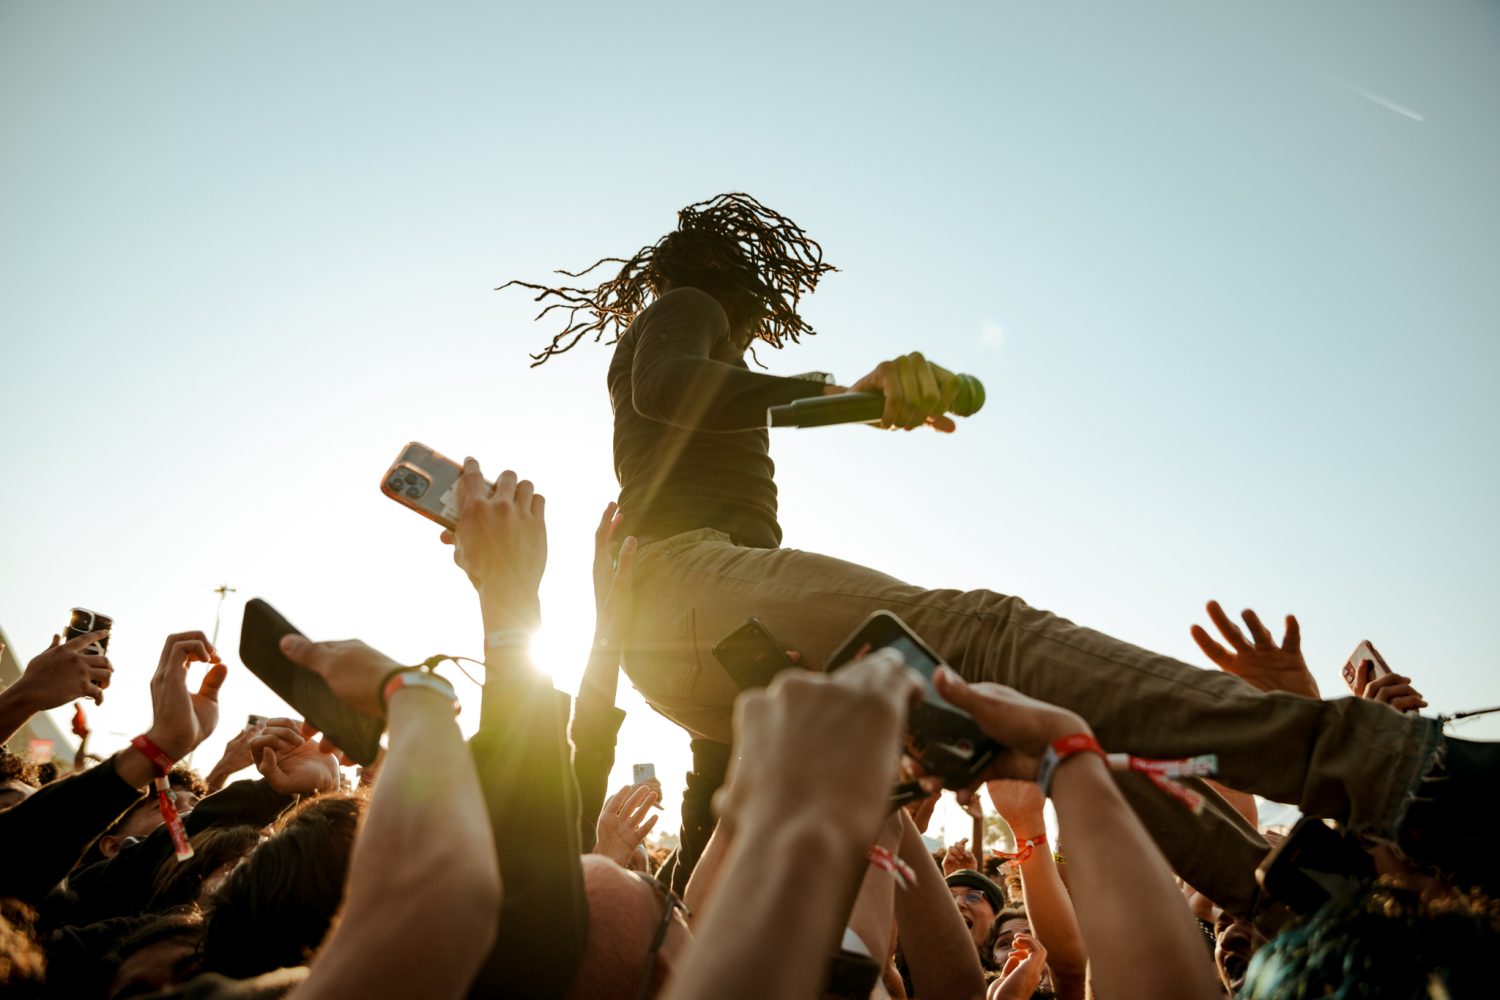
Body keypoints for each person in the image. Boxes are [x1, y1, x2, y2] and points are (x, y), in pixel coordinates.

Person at [503, 192, 1492, 914]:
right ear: (739, 277)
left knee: (1049, 732)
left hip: (700, 642)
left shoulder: (699, 361)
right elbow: (669, 388)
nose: (758, 329)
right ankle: (1398, 770)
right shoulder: (688, 304)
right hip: (688, 592)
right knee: (987, 633)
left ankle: (1312, 907)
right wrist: (850, 395)